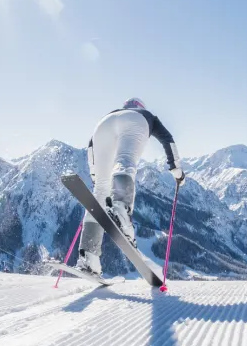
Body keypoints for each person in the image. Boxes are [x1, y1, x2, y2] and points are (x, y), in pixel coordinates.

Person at [77, 97, 185, 276]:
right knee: (125, 163)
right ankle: (121, 210)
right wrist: (177, 170)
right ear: (140, 107)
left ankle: (88, 257)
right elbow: (168, 139)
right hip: (133, 125)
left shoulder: (112, 114)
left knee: (101, 190)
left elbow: (91, 147)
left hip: (102, 126)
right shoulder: (146, 115)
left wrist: (95, 174)